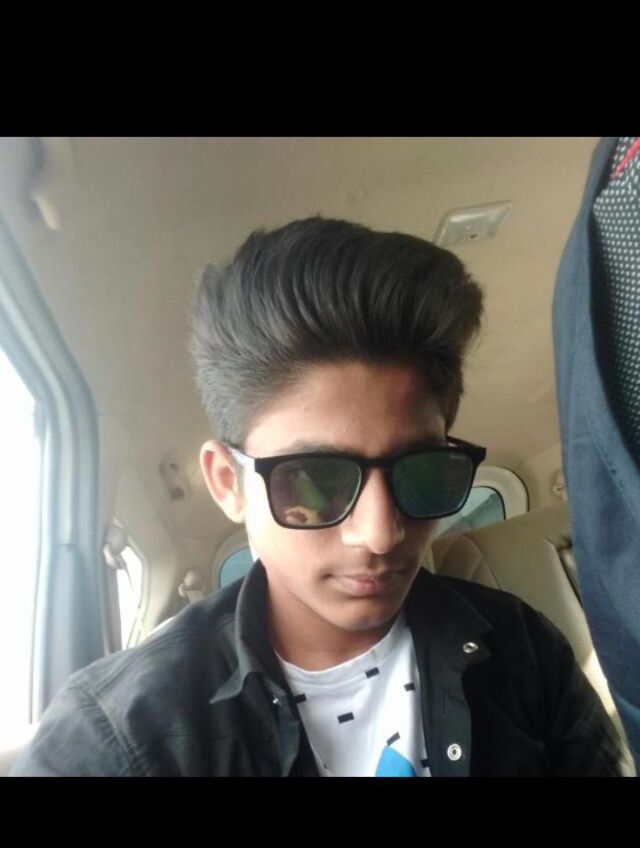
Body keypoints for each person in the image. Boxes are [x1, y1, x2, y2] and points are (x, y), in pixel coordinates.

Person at [12, 217, 621, 776]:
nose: (380, 533)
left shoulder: (525, 653)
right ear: (228, 482)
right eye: (313, 482)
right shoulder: (118, 740)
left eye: (420, 472)